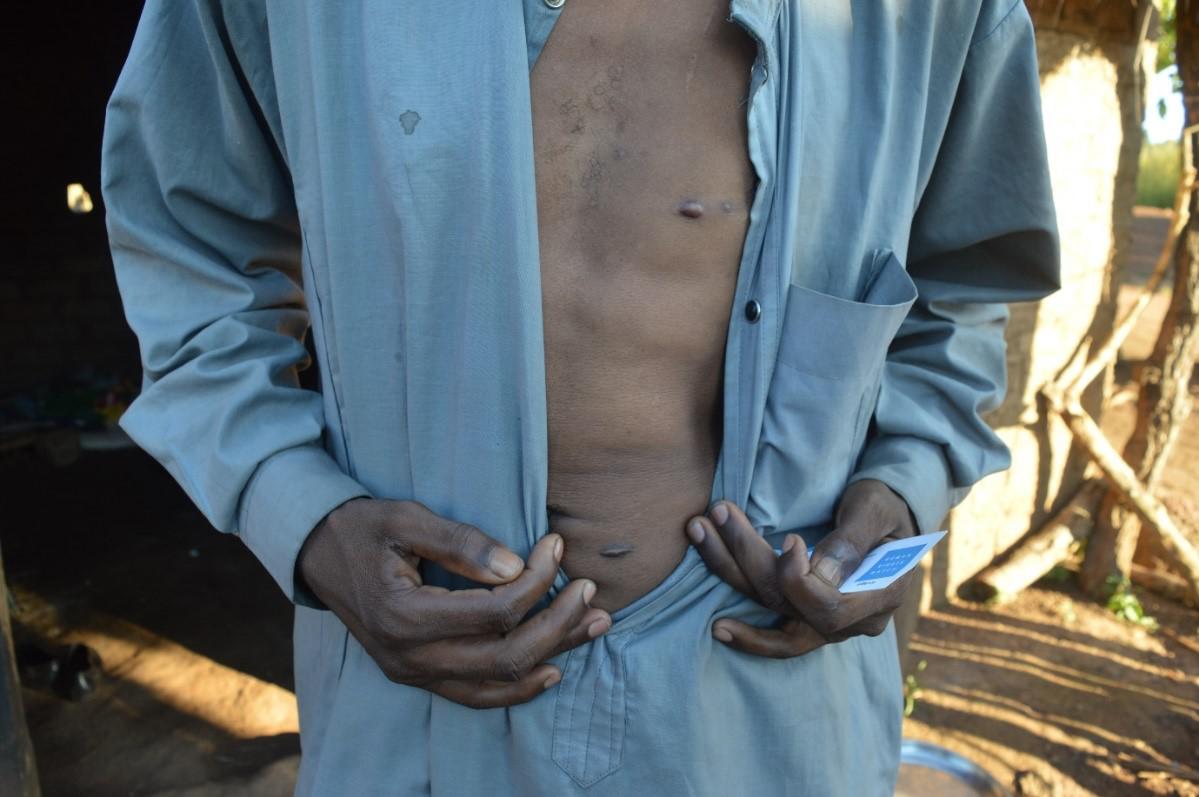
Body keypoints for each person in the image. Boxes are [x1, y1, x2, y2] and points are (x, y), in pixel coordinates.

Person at [101, 0, 1060, 794]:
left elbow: (963, 289)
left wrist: (897, 495)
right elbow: (189, 249)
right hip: (425, 722)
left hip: (772, 719)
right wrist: (305, 518)